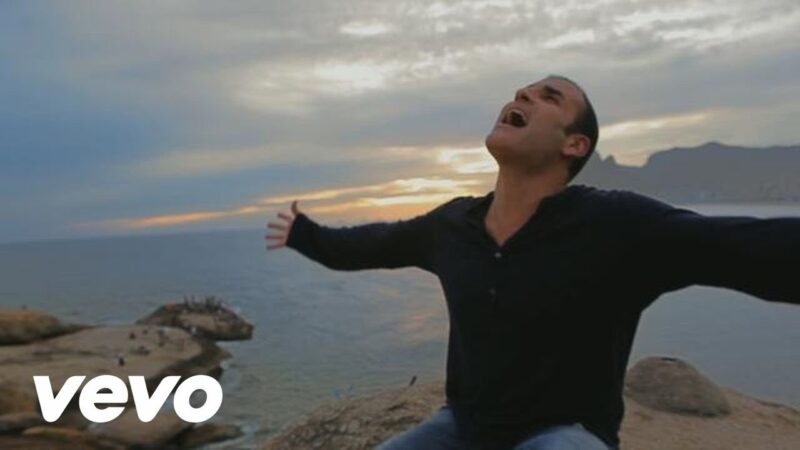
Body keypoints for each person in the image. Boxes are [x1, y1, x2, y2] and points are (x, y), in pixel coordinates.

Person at [265, 75, 798, 450]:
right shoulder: (454, 226)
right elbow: (373, 244)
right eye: (523, 91)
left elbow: (737, 247)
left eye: (549, 97)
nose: (523, 95)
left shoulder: (615, 225)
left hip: (566, 433)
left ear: (575, 144)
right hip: (463, 429)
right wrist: (304, 235)